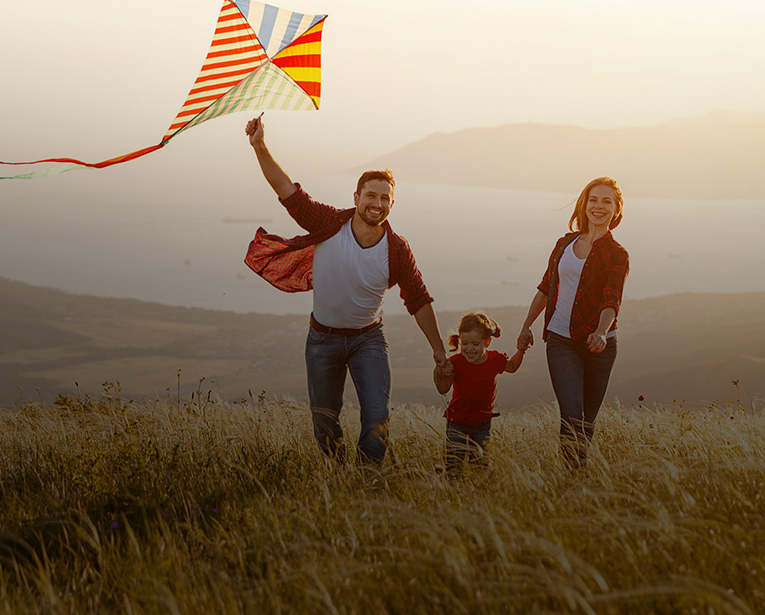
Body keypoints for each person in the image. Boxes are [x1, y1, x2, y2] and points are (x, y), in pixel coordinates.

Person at [243, 116, 447, 465]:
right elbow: (287, 191)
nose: (377, 203)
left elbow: (419, 300)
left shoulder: (396, 249)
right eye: (371, 195)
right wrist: (260, 146)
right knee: (324, 421)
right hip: (322, 340)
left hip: (368, 340)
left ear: (391, 205)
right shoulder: (328, 223)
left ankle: (368, 477)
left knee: (377, 418)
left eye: (385, 198)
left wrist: (440, 354)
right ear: (356, 197)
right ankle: (337, 474)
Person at [517, 177, 629, 467]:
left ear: (616, 210)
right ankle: (574, 477)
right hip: (560, 341)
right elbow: (545, 287)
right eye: (593, 199)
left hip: (599, 347)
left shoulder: (617, 254)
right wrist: (527, 325)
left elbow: (611, 298)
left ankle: (575, 477)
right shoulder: (564, 243)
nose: (599, 206)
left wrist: (602, 332)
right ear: (584, 203)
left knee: (586, 423)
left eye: (607, 201)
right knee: (571, 414)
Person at [433, 312, 527, 470]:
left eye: (475, 344)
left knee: (480, 465)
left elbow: (512, 367)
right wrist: (437, 372)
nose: (469, 349)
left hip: (482, 423)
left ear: (487, 342)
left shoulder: (495, 360)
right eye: (465, 343)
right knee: (454, 464)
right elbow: (443, 389)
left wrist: (521, 351)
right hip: (457, 422)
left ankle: (477, 492)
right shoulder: (456, 362)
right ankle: (454, 490)